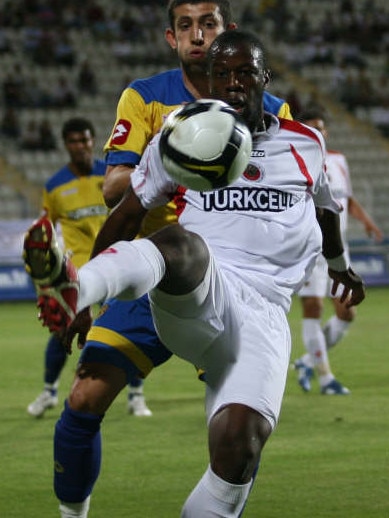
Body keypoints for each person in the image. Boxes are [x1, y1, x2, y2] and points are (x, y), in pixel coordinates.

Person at [24, 30, 365, 517]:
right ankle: (74, 291)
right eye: (220, 73)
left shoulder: (305, 144)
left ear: (263, 79)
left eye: (244, 72)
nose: (232, 83)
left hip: (265, 314)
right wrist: (93, 297)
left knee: (239, 447)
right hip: (203, 291)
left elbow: (327, 210)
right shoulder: (185, 135)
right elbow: (126, 214)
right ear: (207, 81)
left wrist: (340, 267)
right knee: (182, 247)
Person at [26, 117, 152, 419]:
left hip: (119, 262)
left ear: (93, 141)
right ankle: (49, 391)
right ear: (66, 145)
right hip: (79, 272)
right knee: (63, 329)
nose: (80, 147)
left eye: (84, 140)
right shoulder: (55, 186)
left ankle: (136, 396)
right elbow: (45, 227)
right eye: (74, 141)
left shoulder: (113, 176)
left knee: (127, 330)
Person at [293, 107, 383, 394]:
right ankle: (326, 378)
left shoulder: (339, 160)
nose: (319, 132)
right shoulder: (294, 161)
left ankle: (306, 361)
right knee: (314, 307)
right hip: (310, 247)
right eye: (312, 127)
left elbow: (347, 198)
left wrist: (367, 221)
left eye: (321, 127)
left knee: (347, 313)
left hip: (337, 245)